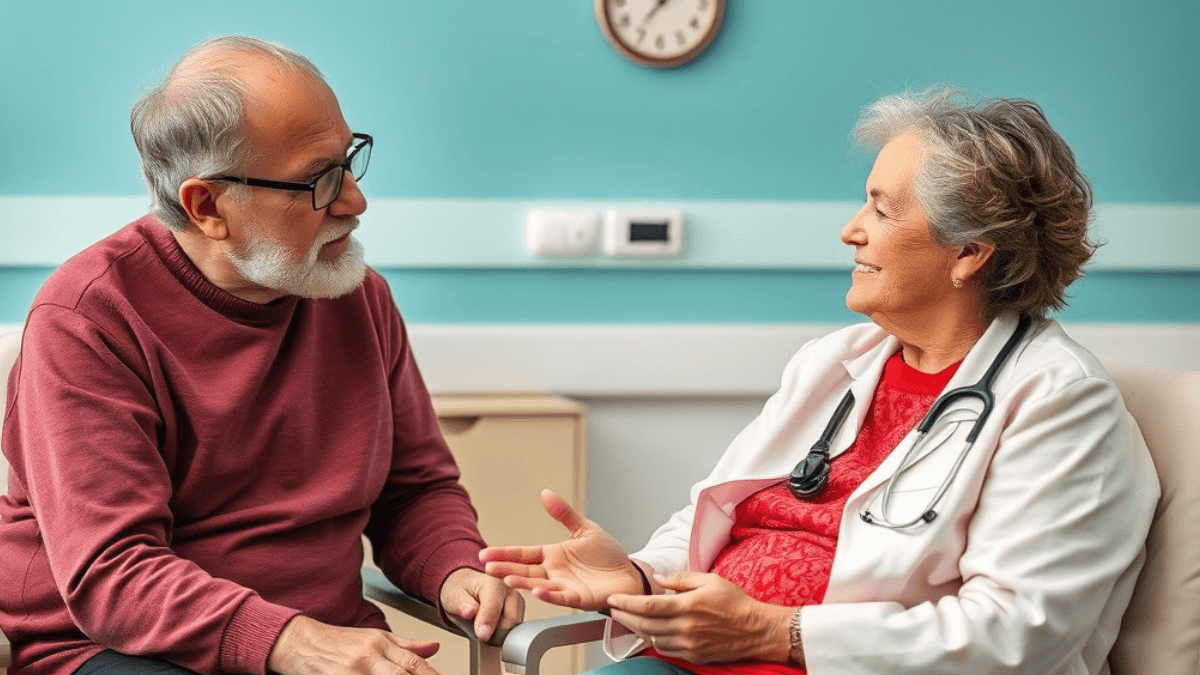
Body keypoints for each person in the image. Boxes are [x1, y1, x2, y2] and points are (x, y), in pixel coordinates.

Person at [481, 89, 1160, 675]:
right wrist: (637, 575)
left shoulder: (1058, 399)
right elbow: (720, 516)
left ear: (969, 252)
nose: (850, 231)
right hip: (695, 660)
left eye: (882, 210)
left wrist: (778, 631)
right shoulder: (836, 360)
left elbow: (1020, 630)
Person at [0, 36, 522, 675]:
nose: (355, 202)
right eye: (317, 181)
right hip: (119, 649)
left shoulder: (359, 296)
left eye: (349, 161)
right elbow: (113, 575)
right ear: (208, 206)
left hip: (323, 644)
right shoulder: (88, 317)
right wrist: (293, 642)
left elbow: (414, 490)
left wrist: (453, 568)